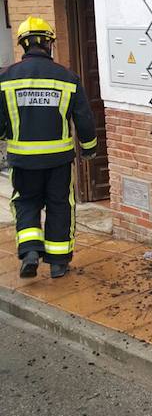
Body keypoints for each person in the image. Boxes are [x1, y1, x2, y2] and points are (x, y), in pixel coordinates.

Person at [0, 16, 97, 279]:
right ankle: (58, 262)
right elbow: (84, 118)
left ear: (23, 44)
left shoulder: (5, 78)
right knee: (60, 205)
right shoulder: (68, 78)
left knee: (25, 203)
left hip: (23, 161)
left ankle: (30, 250)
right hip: (59, 161)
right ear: (48, 44)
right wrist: (89, 147)